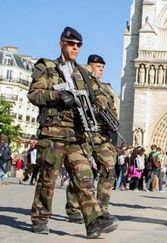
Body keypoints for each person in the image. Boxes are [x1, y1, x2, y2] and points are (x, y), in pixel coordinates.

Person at [27, 26, 117, 238]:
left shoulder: (83, 73)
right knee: (48, 177)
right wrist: (57, 97)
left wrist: (98, 105)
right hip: (53, 133)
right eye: (71, 44)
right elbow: (34, 95)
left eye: (78, 45)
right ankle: (40, 218)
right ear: (61, 44)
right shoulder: (48, 67)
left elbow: (99, 94)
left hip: (77, 135)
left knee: (84, 178)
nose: (75, 48)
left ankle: (93, 222)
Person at [65, 54, 118, 224]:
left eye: (103, 67)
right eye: (98, 66)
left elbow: (112, 109)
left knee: (109, 169)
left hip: (102, 135)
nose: (101, 70)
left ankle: (102, 208)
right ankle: (73, 207)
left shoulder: (106, 87)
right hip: (85, 133)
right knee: (81, 171)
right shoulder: (80, 81)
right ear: (89, 66)